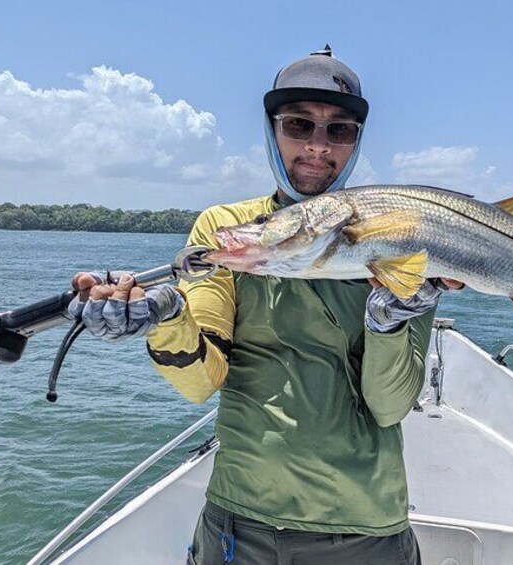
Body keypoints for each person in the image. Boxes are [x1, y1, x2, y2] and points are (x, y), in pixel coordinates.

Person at [69, 46, 460, 564]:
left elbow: (389, 407)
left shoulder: (399, 235)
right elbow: (200, 381)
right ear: (272, 130)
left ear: (356, 143)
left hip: (367, 527)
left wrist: (389, 319)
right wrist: (165, 316)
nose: (318, 148)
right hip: (242, 519)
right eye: (299, 125)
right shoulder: (227, 231)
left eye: (339, 131)